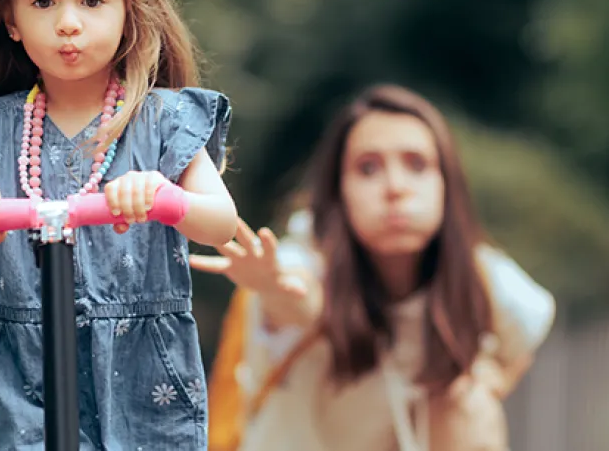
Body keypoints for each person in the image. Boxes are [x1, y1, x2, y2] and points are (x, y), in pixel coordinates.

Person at [0, 0, 238, 448]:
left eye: (92, 1)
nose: (68, 23)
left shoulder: (163, 120)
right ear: (11, 19)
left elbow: (222, 223)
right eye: (43, 2)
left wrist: (167, 197)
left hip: (143, 367)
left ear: (128, 12)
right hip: (33, 369)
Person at [192, 84, 556, 451]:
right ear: (339, 192)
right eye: (368, 169)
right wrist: (272, 285)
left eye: (417, 164)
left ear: (447, 184)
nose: (396, 187)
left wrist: (487, 381)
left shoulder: (479, 275)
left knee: (468, 399)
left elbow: (532, 323)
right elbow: (301, 300)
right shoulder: (305, 260)